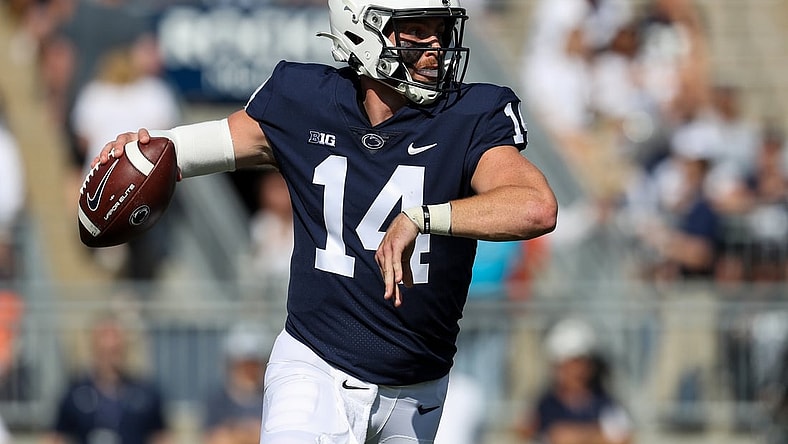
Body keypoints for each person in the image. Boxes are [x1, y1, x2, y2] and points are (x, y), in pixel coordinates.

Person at [94, 0, 558, 441]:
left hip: (420, 387)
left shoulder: (470, 114)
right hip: (318, 365)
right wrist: (142, 149)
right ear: (362, 27)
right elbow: (192, 149)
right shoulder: (304, 99)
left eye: (439, 31)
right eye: (416, 31)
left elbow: (535, 206)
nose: (435, 48)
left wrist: (421, 217)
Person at [45, 313, 171, 444]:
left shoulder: (146, 393)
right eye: (104, 350)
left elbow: (161, 437)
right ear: (93, 347)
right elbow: (56, 437)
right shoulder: (75, 393)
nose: (109, 356)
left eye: (114, 350)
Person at [517, 318, 634, 444]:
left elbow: (623, 438)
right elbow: (524, 429)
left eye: (576, 363)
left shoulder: (604, 403)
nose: (571, 371)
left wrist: (578, 436)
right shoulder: (546, 403)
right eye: (563, 365)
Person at [202, 324, 272, 444]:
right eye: (244, 365)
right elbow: (215, 438)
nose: (249, 371)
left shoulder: (270, 398)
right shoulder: (218, 400)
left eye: (253, 365)